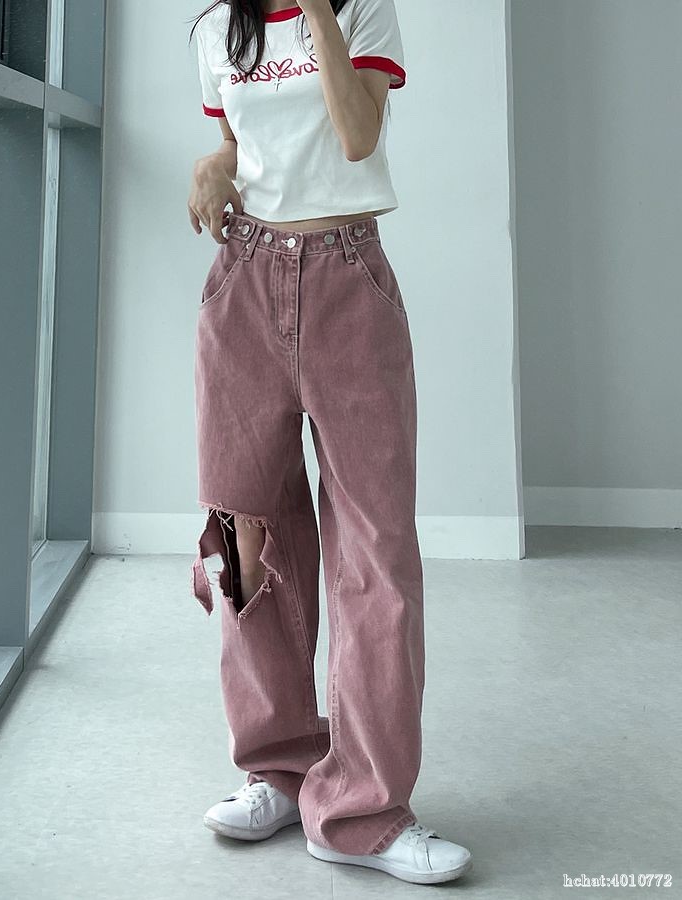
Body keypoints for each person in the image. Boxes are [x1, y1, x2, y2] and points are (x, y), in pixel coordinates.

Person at [187, 0, 472, 885]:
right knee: (248, 540)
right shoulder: (214, 30)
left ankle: (364, 812)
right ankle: (277, 768)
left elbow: (355, 136)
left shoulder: (364, 11)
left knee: (376, 554)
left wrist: (318, 12)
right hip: (243, 283)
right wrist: (217, 162)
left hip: (349, 281)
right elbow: (249, 142)